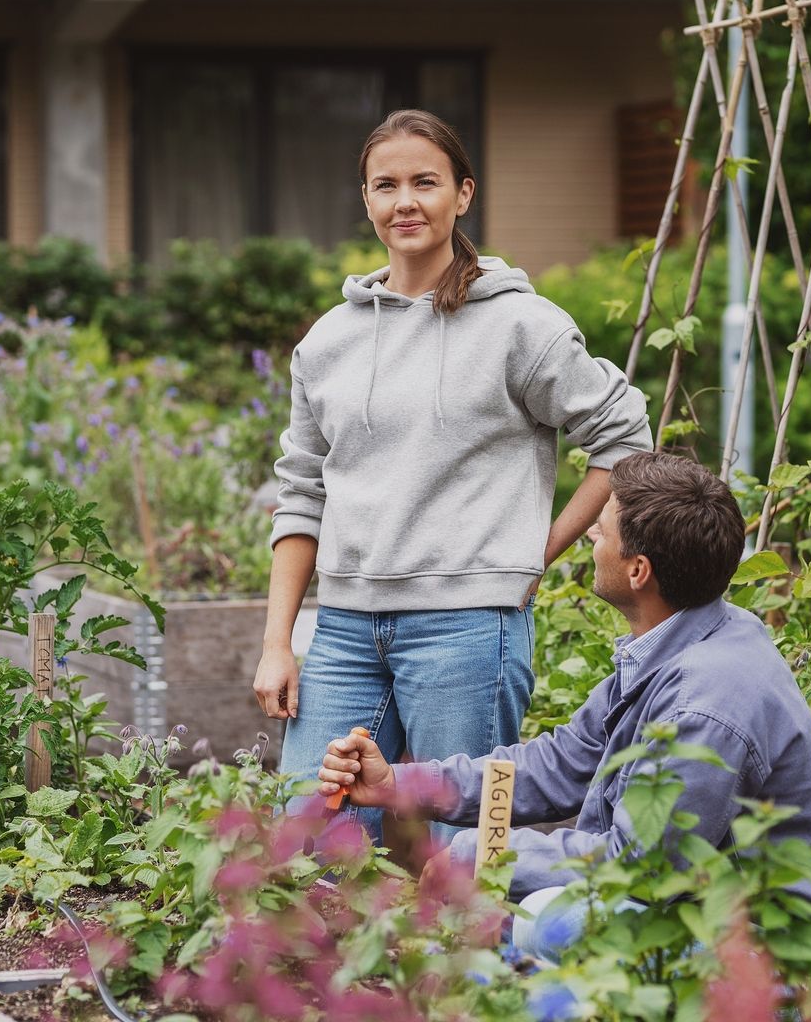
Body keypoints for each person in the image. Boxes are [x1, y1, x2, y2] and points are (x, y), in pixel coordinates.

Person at [258, 108, 652, 838]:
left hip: (468, 629)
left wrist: (538, 548)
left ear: (462, 194)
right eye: (386, 185)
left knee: (460, 848)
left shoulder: (519, 326)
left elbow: (624, 437)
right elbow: (302, 491)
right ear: (368, 201)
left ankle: (479, 956)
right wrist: (279, 641)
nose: (404, 201)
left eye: (424, 182)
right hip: (344, 630)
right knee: (307, 841)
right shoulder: (329, 342)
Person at [316, 450, 811, 929]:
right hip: (701, 914)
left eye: (603, 528)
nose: (591, 534)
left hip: (785, 969)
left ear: (638, 571)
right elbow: (557, 765)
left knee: (546, 926)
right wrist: (397, 783)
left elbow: (639, 868)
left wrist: (485, 854)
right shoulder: (682, 639)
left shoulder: (708, 704)